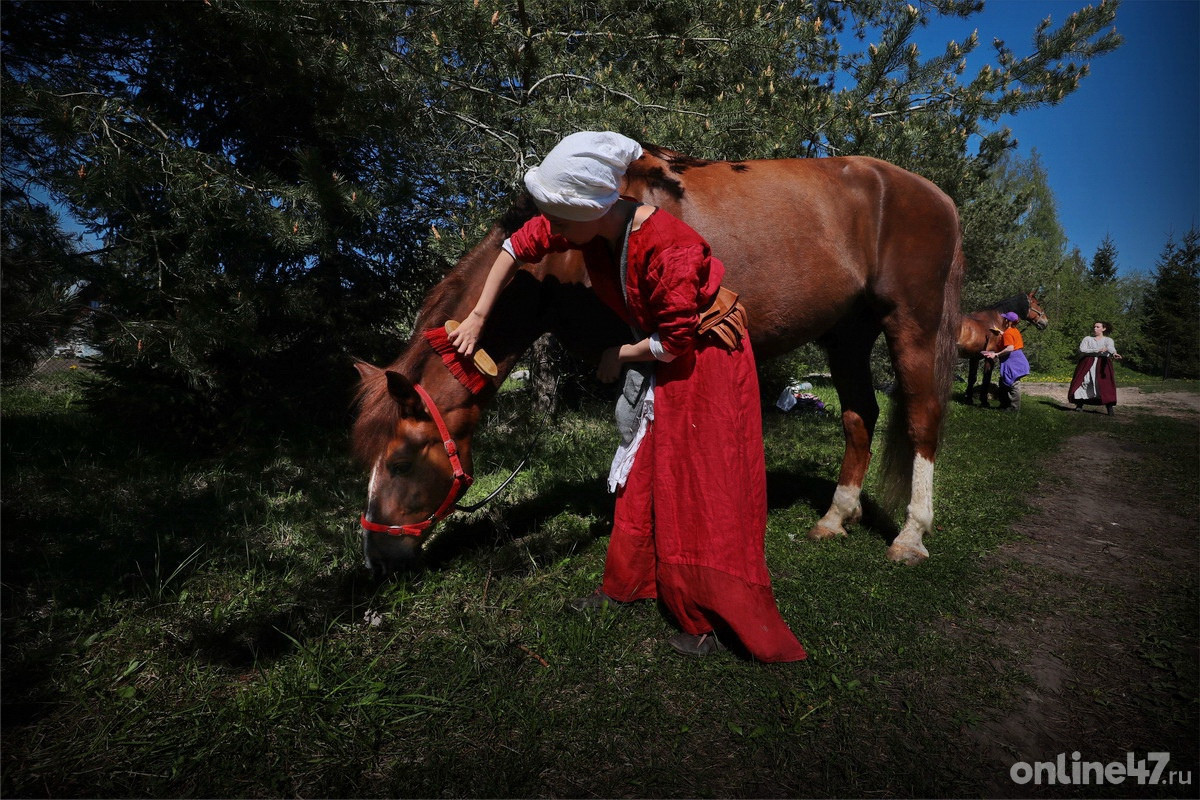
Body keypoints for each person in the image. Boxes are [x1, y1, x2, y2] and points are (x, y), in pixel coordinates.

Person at [448, 131, 806, 662]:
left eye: (562, 218)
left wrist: (620, 354)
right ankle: (628, 581)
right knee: (641, 471)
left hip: (707, 358)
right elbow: (513, 246)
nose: (554, 231)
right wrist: (478, 315)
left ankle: (704, 614)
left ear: (596, 205)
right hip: (664, 347)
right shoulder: (586, 225)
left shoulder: (671, 247)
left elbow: (677, 339)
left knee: (699, 484)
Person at [1068, 321, 1122, 414]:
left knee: (1105, 384)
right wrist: (1097, 350)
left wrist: (1114, 353)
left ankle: (1109, 407)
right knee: (1084, 381)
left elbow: (1111, 347)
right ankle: (1079, 404)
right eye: (1094, 327)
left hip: (1103, 363)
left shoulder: (1108, 340)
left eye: (1097, 327)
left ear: (1103, 329)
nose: (1095, 328)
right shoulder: (1088, 339)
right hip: (1087, 362)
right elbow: (1082, 349)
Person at [981, 311, 1030, 411]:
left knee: (1013, 384)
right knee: (1004, 382)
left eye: (1005, 319)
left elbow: (1010, 348)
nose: (1003, 320)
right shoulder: (1014, 330)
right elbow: (1009, 337)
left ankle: (1013, 408)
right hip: (1017, 358)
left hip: (1013, 360)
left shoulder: (1008, 333)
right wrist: (1000, 332)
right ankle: (1004, 405)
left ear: (1008, 321)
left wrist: (996, 354)